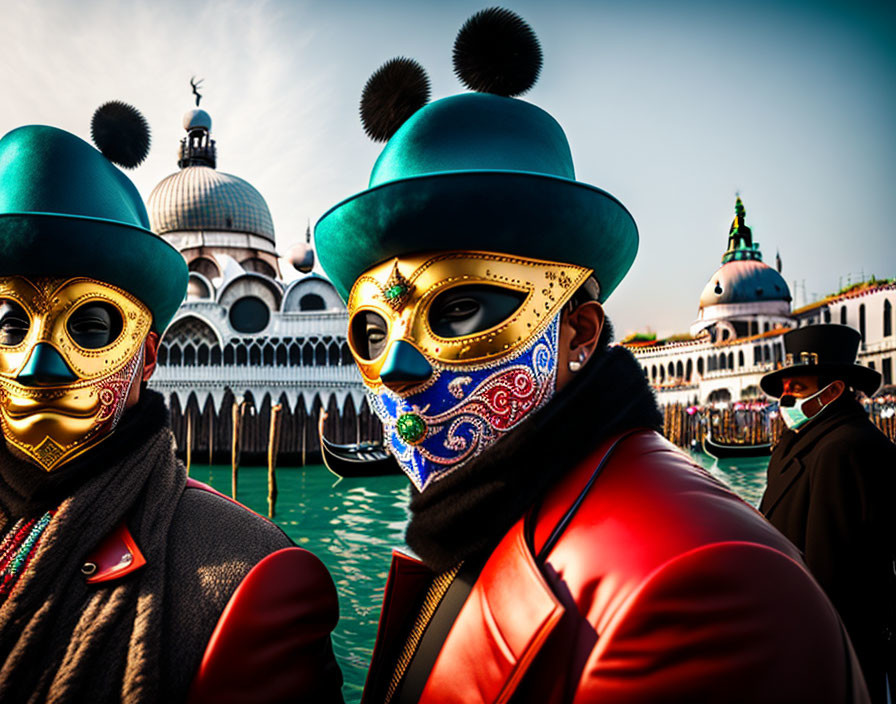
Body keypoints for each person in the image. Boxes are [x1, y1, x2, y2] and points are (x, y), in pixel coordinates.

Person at [315, 8, 870, 703]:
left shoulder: (706, 585)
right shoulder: (482, 524)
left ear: (579, 333)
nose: (398, 368)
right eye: (373, 332)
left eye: (459, 310)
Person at [0, 104, 344, 703]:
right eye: (8, 325)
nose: (41, 365)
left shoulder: (245, 575)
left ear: (148, 355)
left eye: (93, 325)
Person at [760, 323, 896, 703]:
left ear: (833, 390)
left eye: (797, 388)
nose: (785, 399)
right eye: (785, 389)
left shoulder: (847, 449)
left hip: (827, 645)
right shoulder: (802, 442)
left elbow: (833, 571)